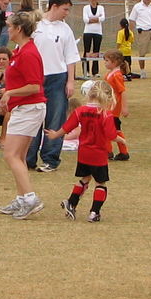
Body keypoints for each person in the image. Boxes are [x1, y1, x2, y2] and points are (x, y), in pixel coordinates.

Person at [0, 11, 46, 219]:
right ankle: (22, 198)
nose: (7, 29)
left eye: (10, 26)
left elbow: (34, 86)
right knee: (19, 156)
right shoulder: (19, 51)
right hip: (24, 108)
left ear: (19, 29)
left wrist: (11, 93)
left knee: (10, 154)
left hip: (30, 108)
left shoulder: (30, 52)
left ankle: (31, 198)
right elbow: (19, 76)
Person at [25, 0, 80, 174]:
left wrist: (70, 81)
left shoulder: (65, 30)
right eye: (65, 9)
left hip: (58, 78)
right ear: (54, 6)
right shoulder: (35, 26)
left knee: (55, 119)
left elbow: (71, 56)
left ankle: (50, 159)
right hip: (36, 78)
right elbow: (24, 50)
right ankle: (28, 158)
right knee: (33, 118)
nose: (67, 13)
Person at [50, 79, 117, 223]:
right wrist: (120, 140)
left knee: (85, 178)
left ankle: (71, 202)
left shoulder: (80, 111)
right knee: (100, 183)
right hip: (98, 154)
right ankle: (94, 212)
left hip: (84, 152)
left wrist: (55, 134)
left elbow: (68, 126)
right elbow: (111, 135)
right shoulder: (105, 114)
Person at [103, 50, 131, 160]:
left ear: (114, 62)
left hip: (113, 108)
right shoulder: (110, 73)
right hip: (108, 106)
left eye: (107, 61)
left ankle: (121, 152)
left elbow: (122, 91)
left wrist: (124, 107)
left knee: (113, 129)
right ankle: (109, 151)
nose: (105, 63)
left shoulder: (117, 75)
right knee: (108, 128)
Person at [82, 0, 105, 77]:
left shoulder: (101, 7)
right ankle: (86, 71)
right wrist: (96, 19)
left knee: (96, 51)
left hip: (98, 32)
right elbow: (85, 19)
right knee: (87, 51)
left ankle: (95, 71)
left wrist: (93, 19)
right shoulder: (86, 8)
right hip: (88, 32)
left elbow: (102, 18)